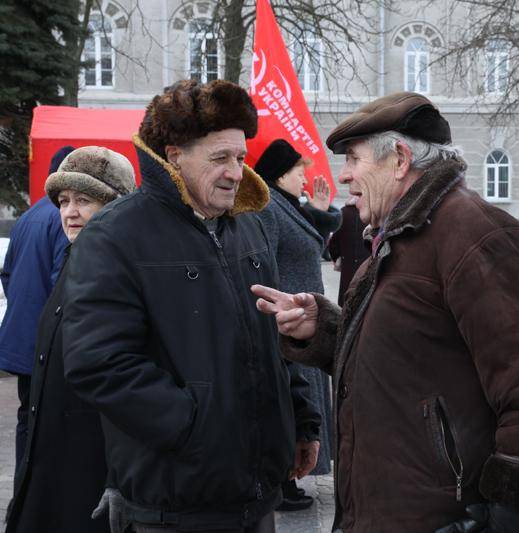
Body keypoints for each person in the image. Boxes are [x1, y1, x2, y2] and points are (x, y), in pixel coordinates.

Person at [252, 91, 519, 532]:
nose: (343, 175)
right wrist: (324, 329)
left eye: (353, 159)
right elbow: (409, 355)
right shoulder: (398, 238)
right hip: (385, 511)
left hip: (444, 517)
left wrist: (511, 518)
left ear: (400, 160)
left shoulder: (476, 234)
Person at [60, 80, 321, 533]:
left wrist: (301, 421)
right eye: (220, 158)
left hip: (258, 496)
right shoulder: (115, 235)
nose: (236, 173)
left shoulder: (249, 226)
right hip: (176, 503)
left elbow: (272, 333)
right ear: (174, 156)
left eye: (240, 158)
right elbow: (98, 363)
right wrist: (195, 427)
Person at [5, 146, 137, 533]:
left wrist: (119, 478)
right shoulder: (76, 258)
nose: (69, 212)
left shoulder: (125, 271)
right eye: (64, 201)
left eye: (84, 200)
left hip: (90, 467)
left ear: (115, 205)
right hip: (55, 460)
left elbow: (135, 385)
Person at [253, 139, 339, 511]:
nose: (304, 179)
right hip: (288, 319)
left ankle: (291, 474)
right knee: (294, 400)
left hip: (303, 320)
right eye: (298, 172)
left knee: (304, 401)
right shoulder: (269, 207)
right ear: (280, 174)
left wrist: (318, 211)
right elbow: (265, 260)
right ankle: (283, 477)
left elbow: (314, 241)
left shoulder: (287, 205)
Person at [0, 146, 72, 474]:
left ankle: (21, 488)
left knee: (27, 418)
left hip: (22, 338)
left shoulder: (29, 216)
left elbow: (7, 274)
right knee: (51, 424)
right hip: (47, 344)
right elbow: (63, 283)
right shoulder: (64, 218)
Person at [327, 200, 370, 306]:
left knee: (346, 299)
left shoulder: (343, 212)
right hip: (368, 263)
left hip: (348, 264)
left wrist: (337, 257)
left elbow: (333, 242)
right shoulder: (372, 212)